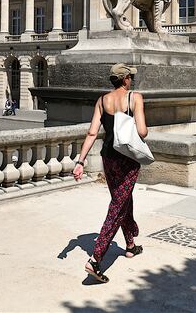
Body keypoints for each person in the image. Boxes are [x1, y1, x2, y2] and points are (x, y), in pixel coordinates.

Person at [72, 63, 148, 283]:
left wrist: (80, 160)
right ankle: (96, 259)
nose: (131, 80)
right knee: (118, 205)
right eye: (130, 77)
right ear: (124, 79)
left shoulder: (102, 100)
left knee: (122, 198)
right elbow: (142, 131)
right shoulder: (135, 98)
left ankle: (131, 244)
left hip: (109, 157)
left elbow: (92, 132)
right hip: (128, 158)